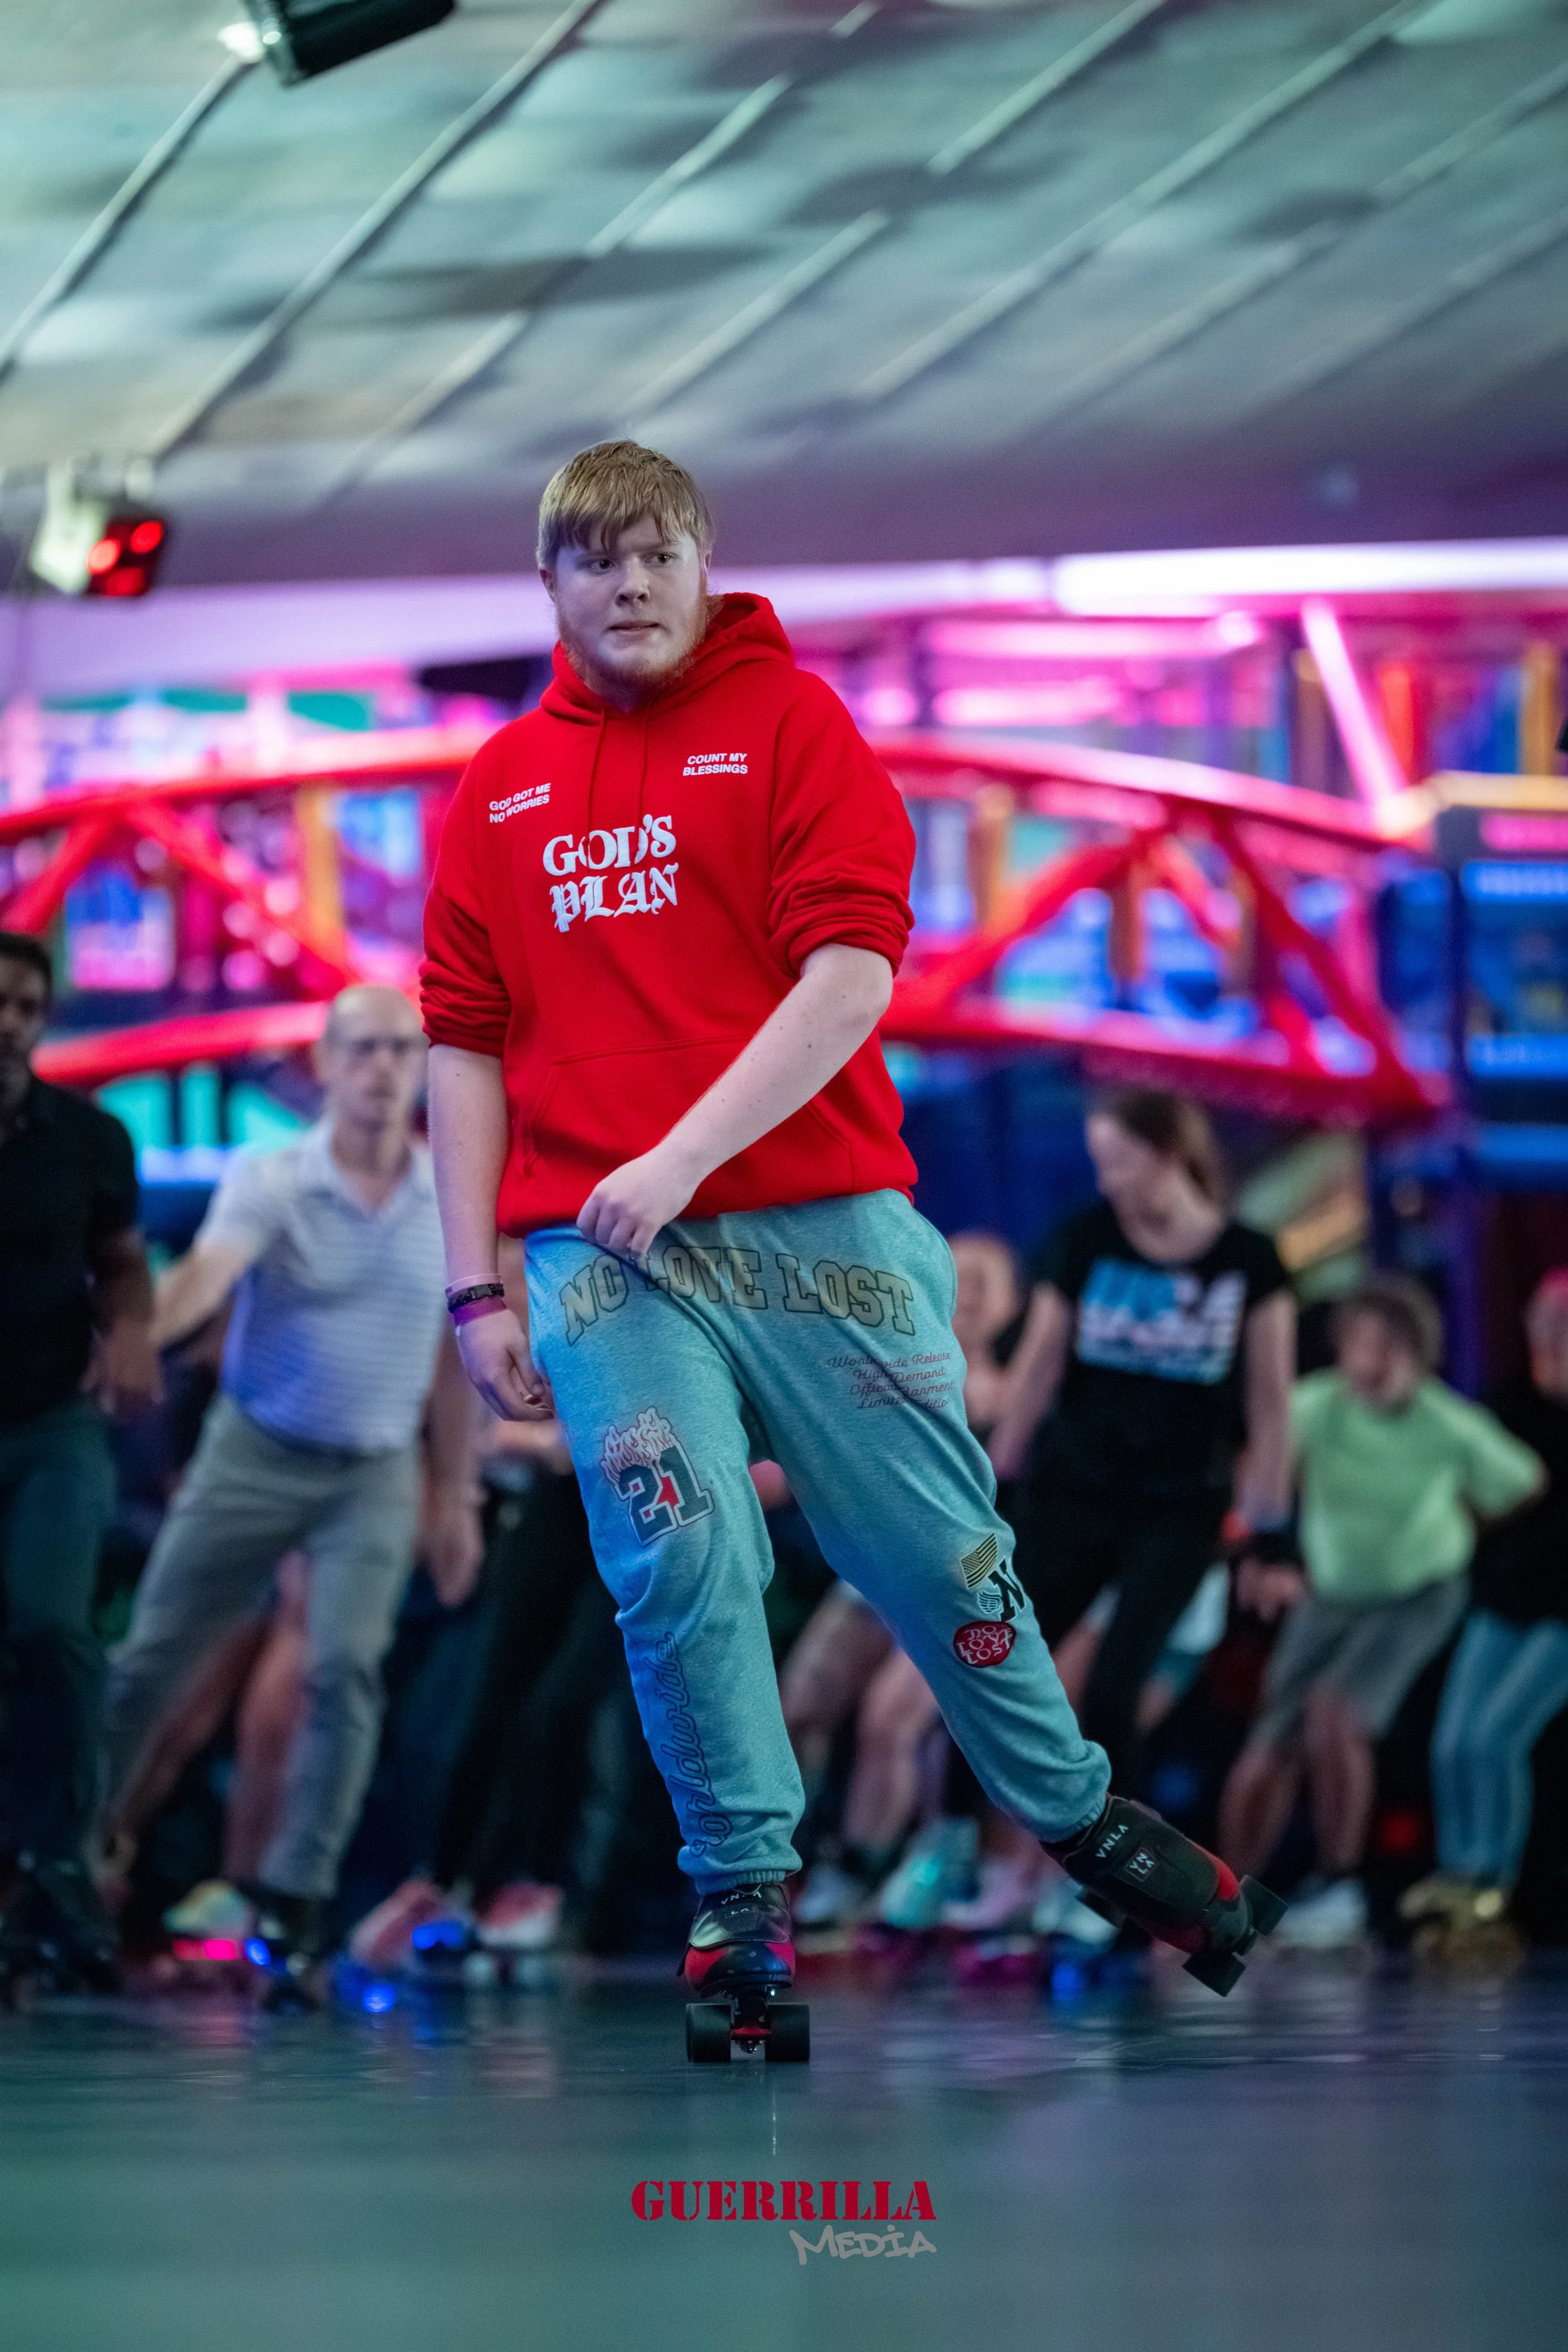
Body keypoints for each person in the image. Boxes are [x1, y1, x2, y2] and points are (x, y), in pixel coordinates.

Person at [418, 439, 1285, 2016]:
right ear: (547, 583)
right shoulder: (498, 788)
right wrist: (472, 1287)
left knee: (935, 1561)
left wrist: (679, 1157)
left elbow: (852, 979)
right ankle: (740, 1905)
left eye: (659, 554)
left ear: (704, 565)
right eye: (597, 559)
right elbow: (462, 1042)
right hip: (602, 1254)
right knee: (677, 1549)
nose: (631, 584)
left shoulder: (792, 723)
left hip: (817, 1227)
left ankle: (1083, 1823)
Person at [99, 984, 482, 1976]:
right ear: (324, 1065)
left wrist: (457, 1495)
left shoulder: (451, 1194)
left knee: (343, 1670)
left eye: (402, 1048)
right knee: (150, 1663)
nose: (384, 1067)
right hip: (254, 1450)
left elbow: (454, 1359)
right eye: (363, 1048)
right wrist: (143, 1329)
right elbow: (208, 1275)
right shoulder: (272, 1176)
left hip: (375, 1467)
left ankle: (295, 1899)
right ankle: (63, 1855)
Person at [1220, 1274, 1543, 1950]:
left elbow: (1521, 1483)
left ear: (1419, 1355)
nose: (1373, 1362)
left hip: (1416, 1595)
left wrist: (1456, 1526)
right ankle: (1224, 1899)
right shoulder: (1316, 1405)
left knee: (1337, 1714)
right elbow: (1262, 1468)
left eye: (1390, 1347)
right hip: (1331, 1592)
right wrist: (1264, 1549)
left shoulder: (1447, 1422)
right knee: (1269, 1741)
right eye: (1361, 1345)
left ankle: (1340, 1888)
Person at [988, 1089, 1296, 1796]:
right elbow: (1037, 1370)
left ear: (1169, 1156)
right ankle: (956, 1831)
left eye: (1119, 1163)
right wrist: (998, 1484)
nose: (1108, 1183)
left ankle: (1117, 1848)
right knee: (996, 1664)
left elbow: (1270, 1407)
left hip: (1179, 1509)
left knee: (1113, 1690)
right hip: (1075, 1491)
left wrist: (1271, 1535)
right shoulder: (1086, 1238)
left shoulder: (1249, 1260)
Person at [0, 930, 161, 1984]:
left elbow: (121, 1262)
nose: (9, 1021)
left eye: (25, 1005)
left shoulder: (92, 1139)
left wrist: (134, 1332)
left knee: (54, 1626)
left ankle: (60, 1863)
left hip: (54, 1419)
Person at [1402, 1269, 1568, 1946]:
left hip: (1561, 1611)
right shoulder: (1506, 1406)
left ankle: (1491, 1883)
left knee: (1497, 1737)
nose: (1553, 1334)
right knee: (1453, 1743)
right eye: (1546, 1320)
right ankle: (1459, 1876)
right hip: (1503, 1597)